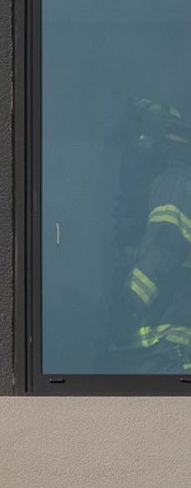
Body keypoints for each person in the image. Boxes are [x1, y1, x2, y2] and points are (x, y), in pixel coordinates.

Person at [114, 98, 191, 372]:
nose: (134, 149)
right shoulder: (172, 183)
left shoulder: (173, 183)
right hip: (160, 349)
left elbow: (164, 248)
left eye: (139, 138)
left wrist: (129, 306)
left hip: (167, 350)